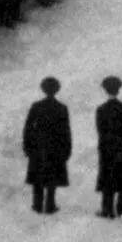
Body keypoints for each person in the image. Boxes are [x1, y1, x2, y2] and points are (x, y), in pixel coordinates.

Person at [23, 77, 73, 217]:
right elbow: (66, 131)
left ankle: (37, 204)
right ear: (56, 90)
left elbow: (28, 128)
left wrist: (27, 146)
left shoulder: (36, 106)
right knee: (52, 177)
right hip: (55, 147)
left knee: (38, 176)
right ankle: (50, 205)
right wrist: (67, 149)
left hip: (38, 146)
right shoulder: (62, 108)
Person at [94, 77, 122, 221]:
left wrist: (108, 148)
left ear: (106, 90)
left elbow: (101, 133)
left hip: (108, 152)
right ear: (118, 89)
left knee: (108, 182)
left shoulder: (101, 110)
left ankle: (107, 211)